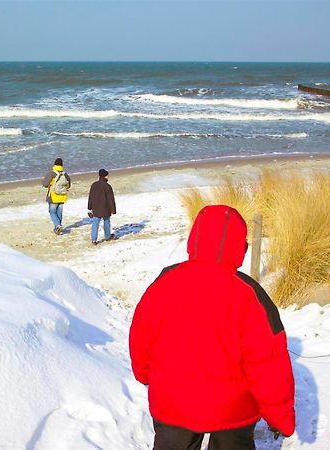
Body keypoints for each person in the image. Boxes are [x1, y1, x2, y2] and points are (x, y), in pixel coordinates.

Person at [129, 205, 295, 450]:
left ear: (195, 238)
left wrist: (144, 373)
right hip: (233, 409)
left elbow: (141, 335)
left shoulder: (165, 282)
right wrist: (281, 416)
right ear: (240, 246)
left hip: (173, 402)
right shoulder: (249, 294)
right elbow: (268, 363)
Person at [87, 168, 116, 245]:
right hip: (105, 208)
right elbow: (111, 199)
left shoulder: (94, 185)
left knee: (95, 222)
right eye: (107, 176)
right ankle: (107, 236)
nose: (108, 177)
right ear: (105, 176)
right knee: (106, 221)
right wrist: (113, 210)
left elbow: (90, 198)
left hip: (96, 208)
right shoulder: (107, 186)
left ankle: (94, 239)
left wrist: (89, 208)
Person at [42, 158, 71, 235]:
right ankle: (58, 228)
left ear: (54, 164)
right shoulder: (65, 174)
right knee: (59, 213)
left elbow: (45, 184)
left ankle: (58, 225)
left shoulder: (51, 173)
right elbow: (69, 185)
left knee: (52, 212)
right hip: (62, 196)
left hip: (53, 196)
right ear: (62, 165)